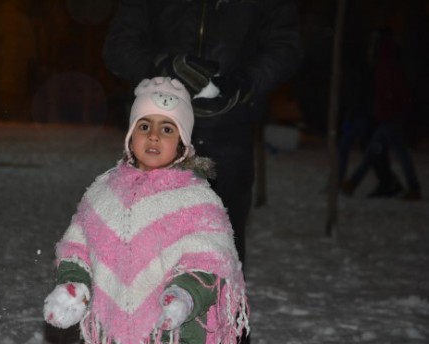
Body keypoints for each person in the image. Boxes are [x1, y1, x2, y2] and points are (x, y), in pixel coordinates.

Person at [43, 77, 249, 344]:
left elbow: (211, 260)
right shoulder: (104, 191)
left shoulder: (196, 199)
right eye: (144, 126)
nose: (153, 136)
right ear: (130, 135)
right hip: (109, 338)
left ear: (182, 142)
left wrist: (185, 295)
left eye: (166, 129)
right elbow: (77, 247)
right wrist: (73, 284)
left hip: (172, 339)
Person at [102, 0, 303, 263]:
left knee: (219, 246)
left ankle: (220, 303)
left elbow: (286, 47)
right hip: (159, 130)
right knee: (149, 244)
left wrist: (245, 82)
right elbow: (117, 46)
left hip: (229, 133)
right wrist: (160, 67)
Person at [341, 27, 421, 200]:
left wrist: (387, 104)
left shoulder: (389, 66)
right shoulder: (384, 65)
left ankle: (414, 188)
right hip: (386, 116)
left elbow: (398, 92)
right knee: (373, 151)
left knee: (396, 153)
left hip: (390, 117)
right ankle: (352, 182)